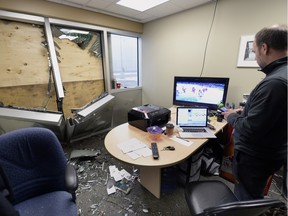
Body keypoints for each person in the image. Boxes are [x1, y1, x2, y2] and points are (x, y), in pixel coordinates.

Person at [222, 25, 287, 201]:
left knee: (247, 197)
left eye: (254, 50)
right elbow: (275, 112)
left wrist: (231, 116)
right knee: (252, 193)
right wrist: (248, 110)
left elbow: (250, 128)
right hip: (271, 150)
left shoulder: (275, 83)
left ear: (264, 48)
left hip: (255, 158)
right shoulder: (282, 74)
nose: (255, 56)